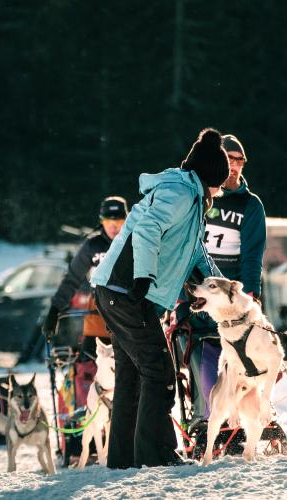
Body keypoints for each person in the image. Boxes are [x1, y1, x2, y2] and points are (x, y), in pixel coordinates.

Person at [90, 127, 227, 469]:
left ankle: (123, 459)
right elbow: (147, 229)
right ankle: (157, 455)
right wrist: (143, 275)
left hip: (118, 292)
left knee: (133, 377)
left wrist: (227, 291)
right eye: (219, 183)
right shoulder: (180, 192)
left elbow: (196, 254)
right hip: (125, 290)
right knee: (161, 374)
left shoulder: (191, 199)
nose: (219, 191)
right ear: (209, 175)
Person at [175, 133, 269, 432]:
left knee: (243, 357)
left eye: (239, 161)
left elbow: (253, 257)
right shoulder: (199, 197)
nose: (235, 166)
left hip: (232, 299)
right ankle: (206, 414)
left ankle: (245, 416)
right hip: (198, 295)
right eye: (229, 160)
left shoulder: (250, 205)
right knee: (202, 357)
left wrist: (250, 297)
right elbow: (184, 247)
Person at [42, 195, 127, 466]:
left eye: (119, 220)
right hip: (95, 323)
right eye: (109, 221)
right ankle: (84, 440)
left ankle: (125, 437)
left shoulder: (132, 241)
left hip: (126, 322)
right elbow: (71, 280)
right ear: (101, 221)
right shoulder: (92, 246)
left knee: (127, 378)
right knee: (88, 379)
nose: (114, 226)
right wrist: (54, 310)